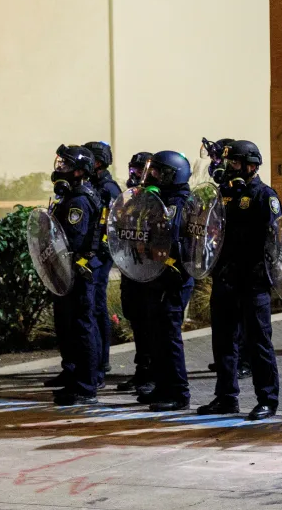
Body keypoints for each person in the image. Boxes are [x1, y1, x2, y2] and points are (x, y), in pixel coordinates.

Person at [196, 141, 282, 420]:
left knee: (258, 342)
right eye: (226, 162)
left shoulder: (263, 196)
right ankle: (226, 397)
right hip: (225, 277)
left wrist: (263, 275)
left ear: (251, 166)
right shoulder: (222, 195)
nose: (227, 167)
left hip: (253, 280)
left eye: (233, 163)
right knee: (223, 341)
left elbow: (273, 242)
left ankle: (267, 399)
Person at [122, 151, 196, 411]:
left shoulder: (180, 202)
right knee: (156, 336)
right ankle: (162, 387)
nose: (150, 175)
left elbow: (172, 238)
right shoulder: (155, 199)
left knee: (169, 336)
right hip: (155, 276)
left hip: (173, 279)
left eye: (157, 171)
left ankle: (178, 392)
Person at [47, 145, 102, 405]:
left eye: (66, 166)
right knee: (73, 328)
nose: (60, 169)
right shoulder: (71, 195)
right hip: (70, 273)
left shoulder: (78, 200)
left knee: (82, 329)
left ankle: (84, 385)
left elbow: (73, 239)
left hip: (78, 273)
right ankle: (74, 379)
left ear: (80, 171)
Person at [201, 138, 251, 380]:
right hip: (224, 265)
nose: (218, 165)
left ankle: (244, 360)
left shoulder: (251, 192)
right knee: (227, 323)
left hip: (244, 268)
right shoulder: (224, 189)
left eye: (221, 160)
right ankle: (230, 361)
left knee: (243, 319)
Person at [116, 152, 155, 395]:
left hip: (148, 270)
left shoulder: (154, 200)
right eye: (133, 169)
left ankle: (152, 376)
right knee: (137, 323)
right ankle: (141, 373)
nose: (135, 174)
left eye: (139, 170)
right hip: (130, 267)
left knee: (150, 325)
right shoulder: (130, 198)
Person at [81, 141, 120, 383]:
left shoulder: (108, 188)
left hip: (101, 255)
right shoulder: (90, 185)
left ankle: (101, 361)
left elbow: (115, 221)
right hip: (90, 253)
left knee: (96, 306)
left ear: (96, 162)